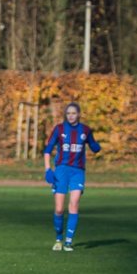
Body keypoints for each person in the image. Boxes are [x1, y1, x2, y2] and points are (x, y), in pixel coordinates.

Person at [43, 101, 102, 251]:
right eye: (68, 113)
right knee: (59, 209)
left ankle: (68, 241)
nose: (71, 116)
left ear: (79, 114)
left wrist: (96, 147)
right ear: (66, 115)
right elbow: (47, 150)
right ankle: (58, 239)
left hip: (78, 171)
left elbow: (93, 145)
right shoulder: (59, 129)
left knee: (74, 204)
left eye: (73, 113)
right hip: (61, 171)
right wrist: (48, 169)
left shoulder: (86, 130)